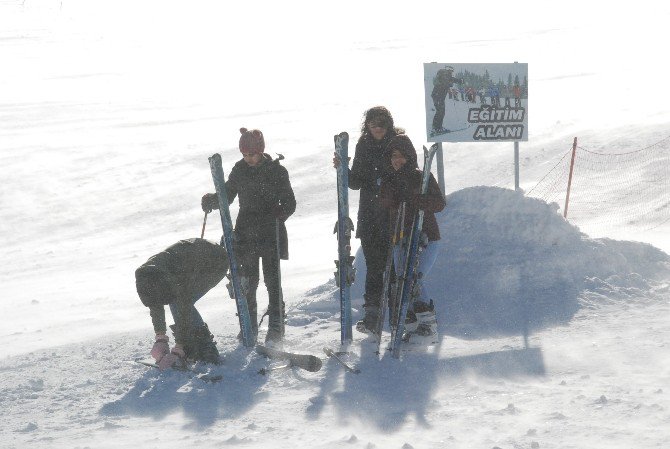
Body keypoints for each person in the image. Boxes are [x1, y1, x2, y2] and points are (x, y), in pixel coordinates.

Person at [201, 128, 296, 344]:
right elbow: (228, 195)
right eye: (245, 154)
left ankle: (276, 323)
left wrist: (280, 213)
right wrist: (213, 200)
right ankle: (249, 323)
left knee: (273, 280)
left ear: (261, 151)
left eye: (252, 154)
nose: (248, 158)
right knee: (248, 281)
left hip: (271, 231)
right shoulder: (240, 170)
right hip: (246, 231)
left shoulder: (277, 172)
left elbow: (290, 202)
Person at [333, 106, 404, 334]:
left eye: (382, 124)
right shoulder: (364, 145)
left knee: (394, 267)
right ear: (368, 125)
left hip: (394, 214)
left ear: (389, 124)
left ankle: (397, 315)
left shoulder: (398, 143)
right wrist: (343, 168)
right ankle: (372, 316)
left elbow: (407, 173)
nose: (378, 128)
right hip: (370, 215)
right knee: (374, 267)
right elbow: (356, 182)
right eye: (373, 124)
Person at [380, 134, 446, 340]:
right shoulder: (388, 179)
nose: (397, 160)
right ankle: (412, 324)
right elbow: (384, 203)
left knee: (413, 279)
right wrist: (391, 193)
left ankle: (428, 325)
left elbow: (439, 204)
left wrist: (421, 200)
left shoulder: (421, 176)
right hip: (400, 238)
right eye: (393, 156)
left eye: (401, 156)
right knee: (403, 280)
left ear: (409, 156)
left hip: (426, 237)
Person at [135, 238, 229, 370]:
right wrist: (160, 337)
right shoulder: (147, 278)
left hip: (215, 261)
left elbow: (184, 306)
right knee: (175, 301)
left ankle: (208, 350)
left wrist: (180, 346)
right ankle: (190, 346)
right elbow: (154, 302)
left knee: (179, 303)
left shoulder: (173, 277)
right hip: (192, 259)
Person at [430, 65, 463, 135]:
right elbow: (446, 82)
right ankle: (437, 128)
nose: (452, 72)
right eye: (452, 71)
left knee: (440, 111)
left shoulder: (445, 75)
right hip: (438, 96)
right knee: (440, 112)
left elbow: (452, 79)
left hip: (438, 96)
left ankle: (437, 127)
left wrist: (459, 81)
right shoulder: (445, 74)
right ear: (449, 70)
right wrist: (451, 84)